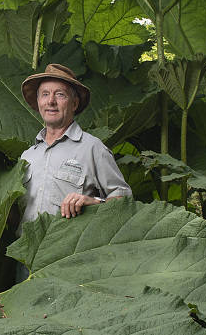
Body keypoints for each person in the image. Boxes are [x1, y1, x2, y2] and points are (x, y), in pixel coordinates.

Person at [18, 63, 132, 227]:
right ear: (38, 102)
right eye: (45, 94)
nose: (51, 101)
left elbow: (125, 201)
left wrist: (93, 202)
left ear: (74, 104)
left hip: (68, 250)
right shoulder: (28, 155)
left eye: (60, 95)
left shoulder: (92, 148)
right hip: (23, 250)